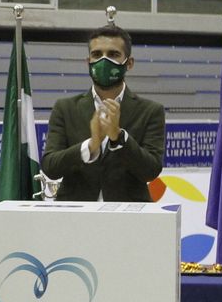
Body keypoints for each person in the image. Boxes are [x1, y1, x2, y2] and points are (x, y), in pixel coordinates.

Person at [40, 24, 166, 202]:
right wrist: (91, 145)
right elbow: (50, 167)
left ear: (129, 63)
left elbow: (151, 171)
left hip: (129, 218)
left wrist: (118, 138)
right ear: (88, 62)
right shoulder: (65, 108)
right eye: (97, 54)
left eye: (113, 54)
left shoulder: (150, 111)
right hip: (75, 217)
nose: (104, 61)